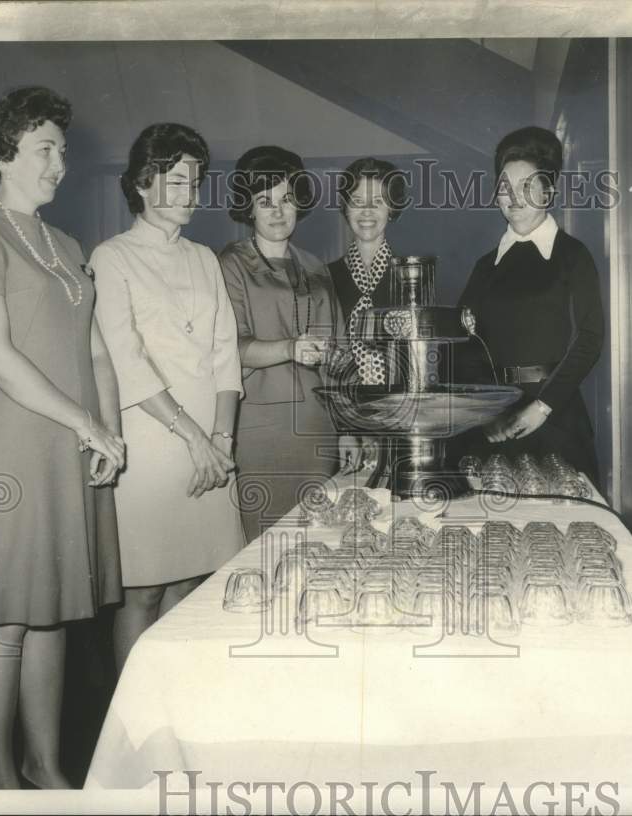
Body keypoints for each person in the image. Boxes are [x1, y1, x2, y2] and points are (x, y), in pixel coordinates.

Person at [0, 86, 125, 789]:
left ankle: (44, 768)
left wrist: (109, 430)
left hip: (69, 442)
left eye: (64, 151)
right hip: (11, 442)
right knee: (4, 619)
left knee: (53, 616)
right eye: (46, 149)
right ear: (1, 154)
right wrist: (84, 422)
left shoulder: (68, 242)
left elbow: (99, 352)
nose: (61, 164)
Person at [90, 124, 244, 670]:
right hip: (152, 441)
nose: (191, 195)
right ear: (142, 183)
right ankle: (127, 727)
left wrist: (221, 440)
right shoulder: (111, 258)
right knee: (144, 592)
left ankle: (171, 710)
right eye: (178, 182)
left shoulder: (205, 257)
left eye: (197, 182)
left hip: (210, 441)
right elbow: (125, 360)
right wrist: (195, 438)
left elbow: (227, 353)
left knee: (191, 584)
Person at [219, 145, 358, 543]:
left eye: (287, 199)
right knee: (263, 548)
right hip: (260, 431)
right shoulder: (230, 263)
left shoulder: (315, 265)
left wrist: (347, 427)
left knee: (318, 545)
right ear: (248, 208)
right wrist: (289, 348)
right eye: (265, 202)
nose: (278, 212)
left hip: (318, 428)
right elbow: (231, 347)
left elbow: (341, 352)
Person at [454, 126, 604, 484]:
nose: (514, 197)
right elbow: (463, 347)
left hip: (555, 419)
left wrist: (542, 407)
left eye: (527, 186)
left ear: (548, 191)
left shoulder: (573, 255)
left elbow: (590, 339)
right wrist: (486, 415)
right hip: (493, 425)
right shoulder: (484, 266)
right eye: (505, 187)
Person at [327, 157, 408, 385]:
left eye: (378, 202)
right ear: (345, 208)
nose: (366, 211)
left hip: (402, 406)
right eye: (357, 201)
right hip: (341, 407)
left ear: (392, 209)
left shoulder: (411, 277)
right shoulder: (325, 276)